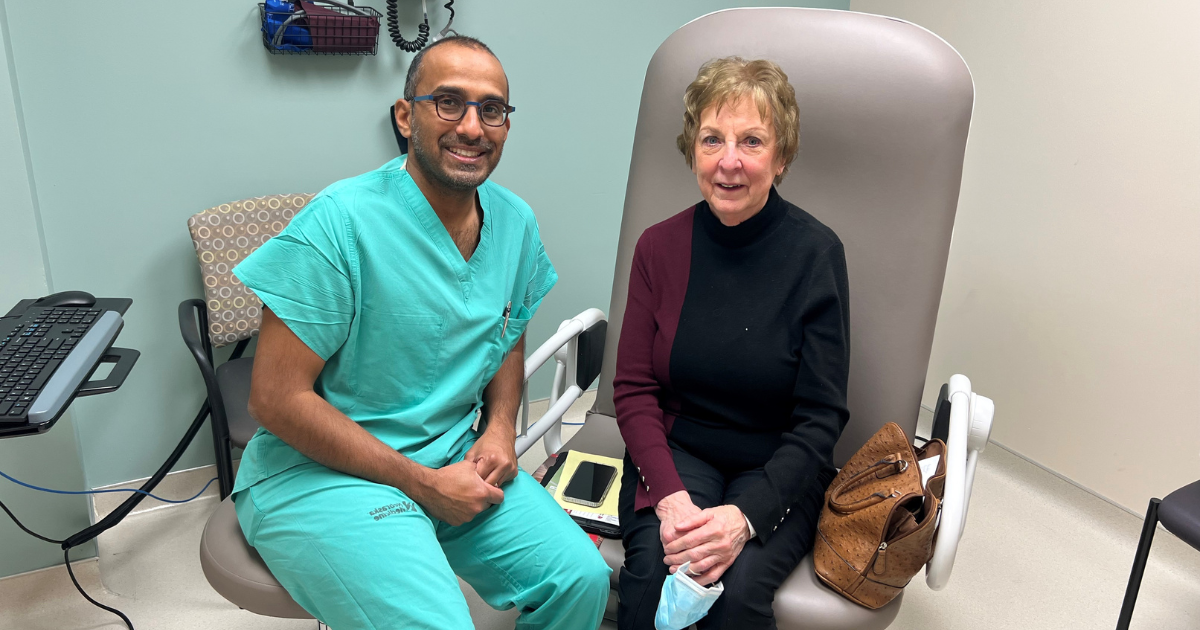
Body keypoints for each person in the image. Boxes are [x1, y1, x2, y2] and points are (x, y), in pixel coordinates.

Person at [230, 35, 610, 630]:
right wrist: (422, 486)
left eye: (492, 110)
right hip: (321, 474)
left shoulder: (514, 222)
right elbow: (274, 399)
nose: (472, 127)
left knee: (579, 580)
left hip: (454, 455)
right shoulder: (340, 223)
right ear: (406, 117)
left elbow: (508, 333)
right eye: (448, 102)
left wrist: (502, 430)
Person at [612, 57, 851, 629]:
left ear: (782, 157)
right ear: (692, 149)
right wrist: (670, 499)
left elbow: (820, 416)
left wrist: (745, 518)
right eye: (712, 139)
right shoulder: (659, 248)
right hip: (678, 451)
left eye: (752, 141)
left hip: (776, 461)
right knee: (654, 574)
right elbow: (633, 389)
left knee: (739, 593)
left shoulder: (816, 255)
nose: (729, 161)